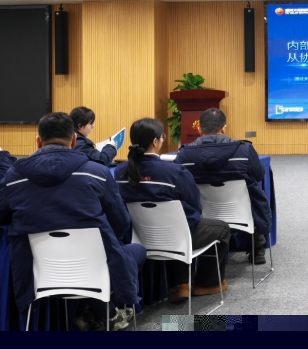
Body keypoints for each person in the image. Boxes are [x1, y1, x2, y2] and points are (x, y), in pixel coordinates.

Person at [0, 112, 146, 330]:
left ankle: (98, 313)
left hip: (37, 270)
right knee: (136, 251)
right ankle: (105, 312)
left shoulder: (14, 176)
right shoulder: (98, 172)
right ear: (74, 140)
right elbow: (121, 222)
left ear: (38, 141)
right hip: (95, 265)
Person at [115, 118, 231, 299]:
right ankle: (208, 283)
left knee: (180, 224)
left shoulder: (120, 172)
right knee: (220, 228)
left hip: (141, 237)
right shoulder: (175, 171)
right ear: (155, 142)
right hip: (177, 235)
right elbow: (195, 204)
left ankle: (182, 284)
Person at [174, 108, 272, 264]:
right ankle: (257, 246)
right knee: (253, 192)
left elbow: (179, 183)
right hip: (241, 212)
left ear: (199, 130)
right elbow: (259, 175)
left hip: (203, 213)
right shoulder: (244, 149)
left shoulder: (184, 154)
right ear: (224, 128)